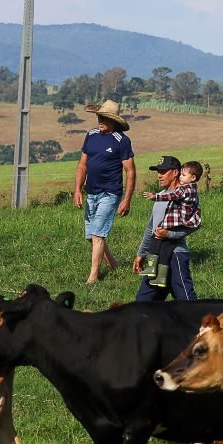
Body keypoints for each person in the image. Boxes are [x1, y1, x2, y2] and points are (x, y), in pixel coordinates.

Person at [72, 99, 135, 283]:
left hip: (110, 193)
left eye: (104, 118)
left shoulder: (121, 141)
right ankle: (115, 266)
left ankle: (93, 277)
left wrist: (127, 199)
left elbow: (130, 171)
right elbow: (82, 165)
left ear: (114, 121)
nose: (100, 120)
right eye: (99, 116)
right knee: (91, 237)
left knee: (98, 235)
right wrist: (77, 190)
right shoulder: (91, 135)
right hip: (91, 192)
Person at [132, 155, 197, 301]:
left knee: (187, 301)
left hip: (176, 255)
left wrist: (169, 234)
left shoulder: (185, 195)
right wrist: (141, 254)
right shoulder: (160, 196)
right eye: (158, 172)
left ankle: (202, 323)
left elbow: (194, 224)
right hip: (156, 256)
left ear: (175, 173)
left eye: (163, 171)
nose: (159, 175)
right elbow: (150, 228)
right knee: (143, 301)